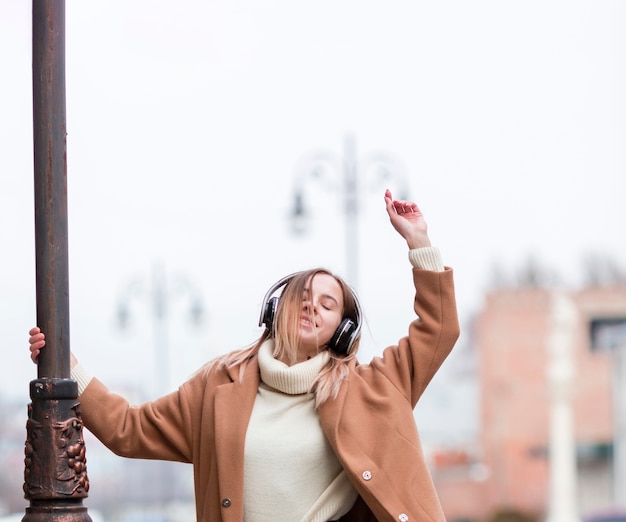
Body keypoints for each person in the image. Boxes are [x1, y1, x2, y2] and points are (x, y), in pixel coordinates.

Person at [29, 189, 460, 522]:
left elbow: (438, 331)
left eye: (328, 305)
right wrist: (65, 365)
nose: (312, 306)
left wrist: (419, 242)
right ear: (278, 308)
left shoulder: (374, 388)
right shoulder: (219, 385)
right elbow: (127, 429)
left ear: (341, 332)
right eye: (303, 297)